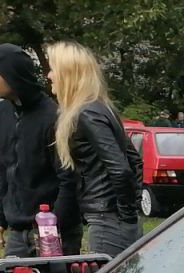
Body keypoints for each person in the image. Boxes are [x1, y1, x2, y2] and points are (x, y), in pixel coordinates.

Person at [45, 41, 143, 256]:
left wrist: (126, 215)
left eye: (53, 69)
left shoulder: (87, 113)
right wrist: (131, 212)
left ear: (68, 73)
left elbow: (122, 168)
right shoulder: (101, 109)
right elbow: (134, 160)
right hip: (110, 216)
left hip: (107, 219)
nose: (49, 75)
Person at [0, 43, 80, 256]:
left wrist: (54, 227)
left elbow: (69, 179)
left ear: (11, 76)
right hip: (18, 233)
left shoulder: (54, 117)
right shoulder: (2, 112)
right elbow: (3, 168)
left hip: (54, 230)